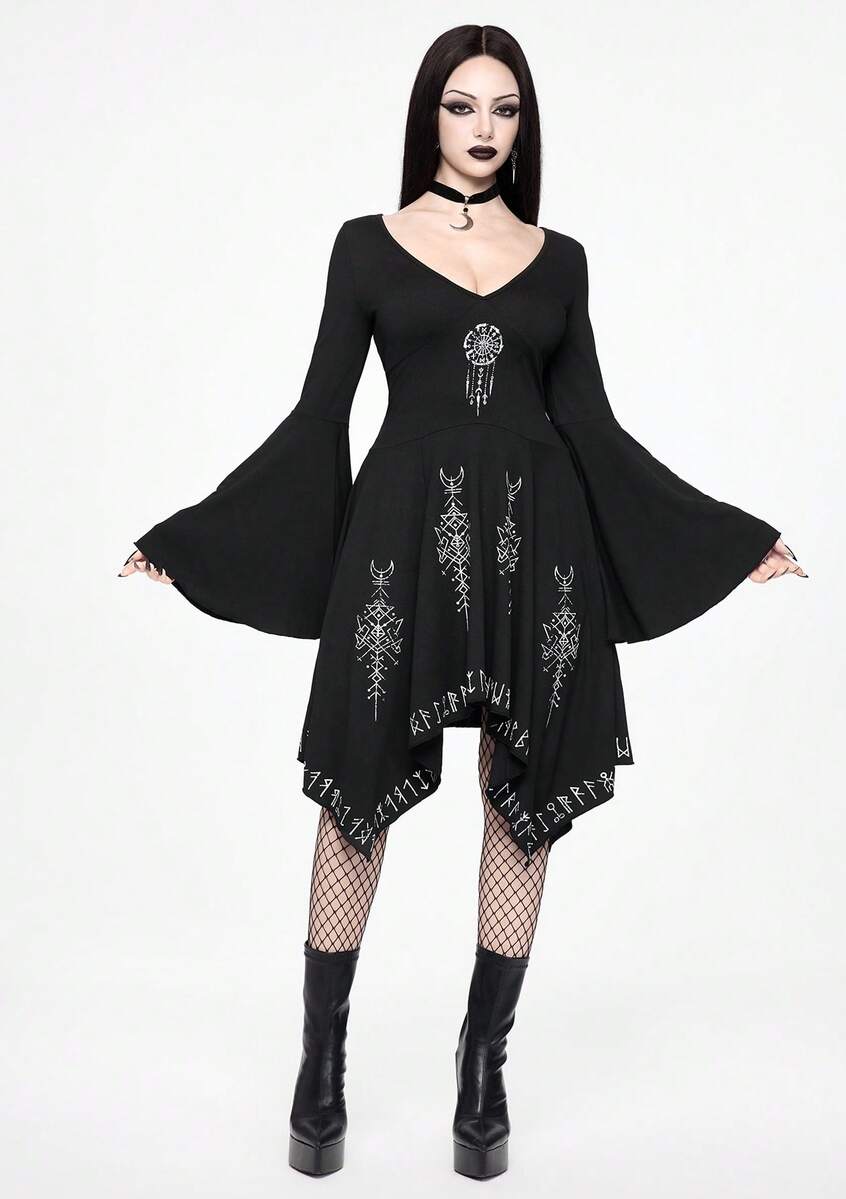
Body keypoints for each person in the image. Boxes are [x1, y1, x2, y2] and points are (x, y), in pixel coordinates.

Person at [119, 25, 807, 1181]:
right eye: (461, 105)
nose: (483, 128)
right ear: (427, 116)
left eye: (504, 109)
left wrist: (727, 538)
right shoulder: (366, 246)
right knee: (357, 792)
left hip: (540, 554)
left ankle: (483, 1071)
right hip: (400, 548)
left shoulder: (561, 259)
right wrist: (194, 539)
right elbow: (318, 416)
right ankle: (320, 1066)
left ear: (524, 124)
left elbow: (594, 429)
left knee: (518, 795)